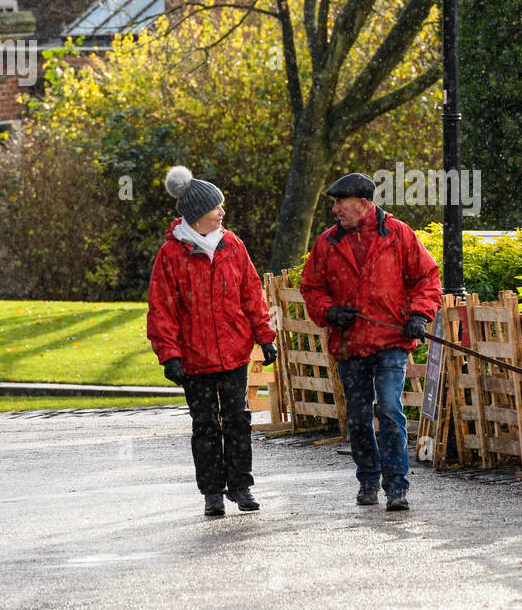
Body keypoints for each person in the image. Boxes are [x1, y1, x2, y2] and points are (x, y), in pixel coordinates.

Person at [300, 172, 442, 511]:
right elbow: (311, 287)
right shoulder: (327, 243)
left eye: (339, 203)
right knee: (359, 417)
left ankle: (397, 487)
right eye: (334, 203)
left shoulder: (399, 234)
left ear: (363, 204)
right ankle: (368, 479)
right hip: (349, 343)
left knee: (390, 409)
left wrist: (420, 315)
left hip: (392, 340)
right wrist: (330, 311)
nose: (335, 209)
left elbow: (427, 277)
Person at [147, 165, 278, 517]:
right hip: (194, 359)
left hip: (233, 354)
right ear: (197, 214)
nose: (222, 213)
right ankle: (212, 493)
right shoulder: (170, 255)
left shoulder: (233, 245)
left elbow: (252, 294)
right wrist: (169, 355)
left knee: (238, 419)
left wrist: (265, 337)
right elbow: (161, 309)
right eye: (216, 207)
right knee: (204, 425)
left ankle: (241, 486)